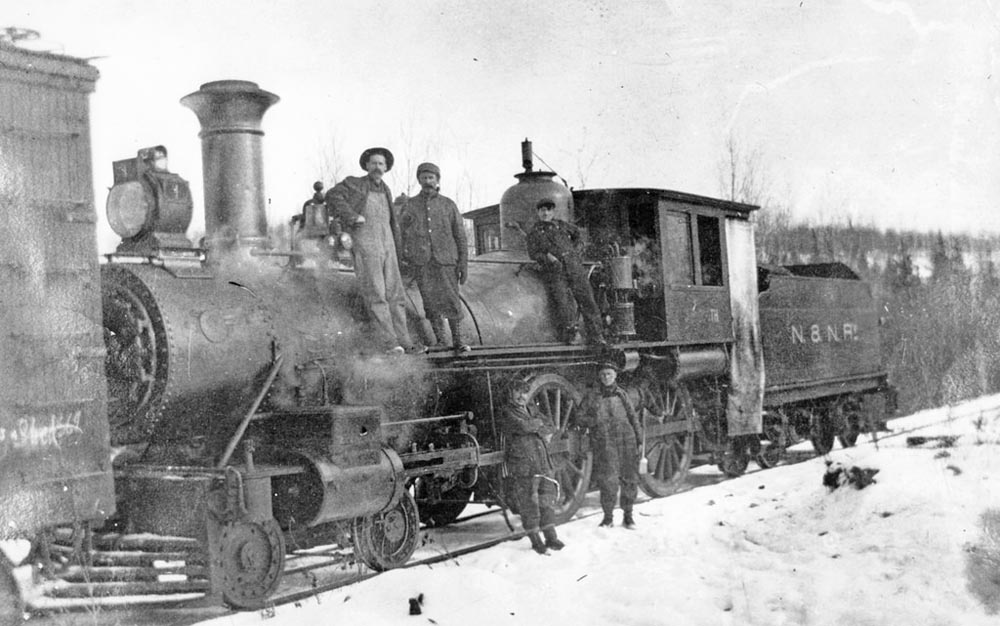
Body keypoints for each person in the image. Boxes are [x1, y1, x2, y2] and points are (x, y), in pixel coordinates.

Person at [326, 147, 422, 355]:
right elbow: (332, 196)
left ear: (386, 168)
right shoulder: (355, 183)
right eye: (374, 163)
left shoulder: (386, 189)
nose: (377, 167)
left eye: (381, 164)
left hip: (388, 244)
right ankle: (390, 342)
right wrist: (351, 216)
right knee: (376, 293)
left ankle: (405, 341)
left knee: (396, 294)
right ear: (367, 165)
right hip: (367, 243)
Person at [399, 162, 471, 353]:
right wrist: (405, 258)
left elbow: (460, 236)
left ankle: (458, 341)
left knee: (451, 300)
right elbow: (401, 234)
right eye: (424, 178)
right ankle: (441, 341)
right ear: (419, 181)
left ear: (437, 180)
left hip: (446, 262)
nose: (427, 181)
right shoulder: (410, 205)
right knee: (430, 302)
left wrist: (463, 263)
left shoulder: (448, 204)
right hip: (422, 263)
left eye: (431, 178)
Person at [526, 199, 606, 346]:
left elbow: (577, 235)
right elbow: (533, 253)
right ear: (538, 212)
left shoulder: (562, 225)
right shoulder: (534, 232)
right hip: (556, 271)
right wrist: (548, 257)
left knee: (588, 300)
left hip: (574, 268)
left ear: (553, 212)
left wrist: (575, 252)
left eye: (548, 210)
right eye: (542, 210)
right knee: (563, 303)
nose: (545, 213)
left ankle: (597, 335)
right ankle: (572, 334)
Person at [500, 380, 565, 554]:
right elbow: (523, 426)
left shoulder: (531, 409)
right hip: (524, 464)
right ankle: (536, 540)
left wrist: (537, 426)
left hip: (541, 461)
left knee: (546, 498)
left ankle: (551, 537)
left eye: (524, 393)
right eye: (518, 392)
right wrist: (538, 425)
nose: (522, 397)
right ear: (511, 393)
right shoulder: (507, 412)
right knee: (529, 503)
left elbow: (550, 424)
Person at [581, 362, 642, 529]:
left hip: (626, 440)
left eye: (609, 374)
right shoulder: (592, 397)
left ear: (615, 375)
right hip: (605, 442)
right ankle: (608, 517)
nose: (606, 378)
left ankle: (628, 516)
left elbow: (632, 417)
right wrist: (594, 422)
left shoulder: (622, 394)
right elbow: (579, 417)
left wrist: (639, 439)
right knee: (608, 480)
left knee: (629, 479)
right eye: (603, 375)